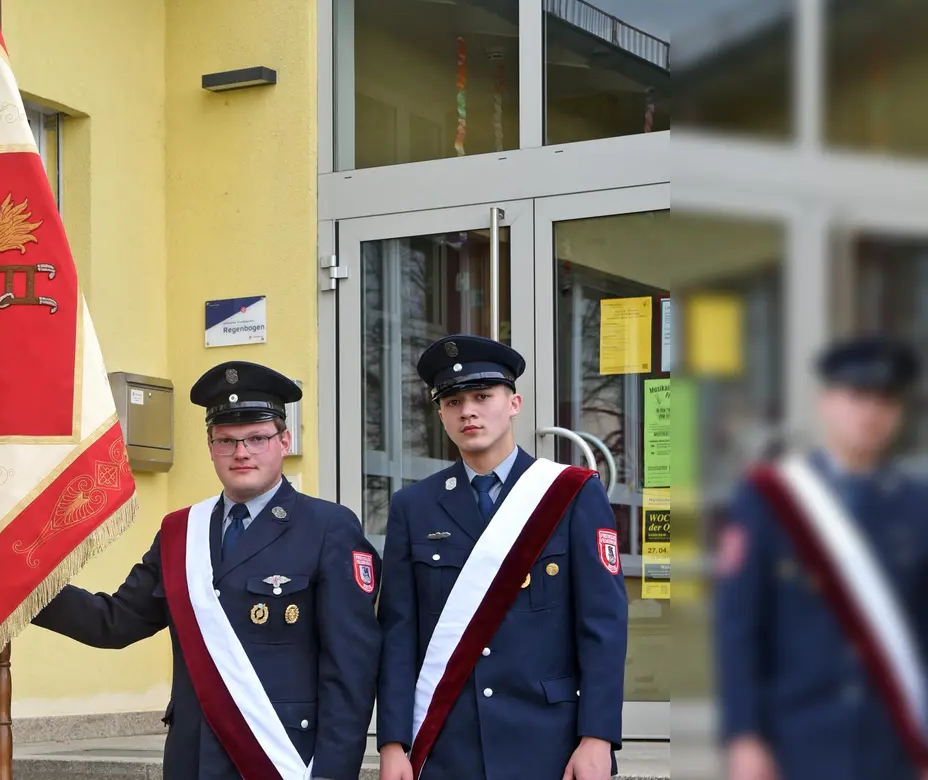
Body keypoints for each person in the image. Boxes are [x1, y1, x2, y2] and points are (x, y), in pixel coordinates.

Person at [31, 361, 381, 780]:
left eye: (257, 438)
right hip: (194, 758)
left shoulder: (327, 527)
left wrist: (333, 773)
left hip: (284, 757)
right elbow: (115, 622)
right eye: (226, 440)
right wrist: (22, 590)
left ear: (284, 441)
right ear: (210, 446)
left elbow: (350, 669)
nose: (241, 453)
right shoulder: (181, 532)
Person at [376, 334, 627, 780]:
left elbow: (602, 626)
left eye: (482, 396)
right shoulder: (413, 507)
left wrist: (598, 737)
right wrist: (393, 742)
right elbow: (399, 633)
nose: (467, 411)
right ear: (440, 415)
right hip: (447, 743)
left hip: (548, 741)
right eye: (453, 401)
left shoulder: (571, 493)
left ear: (514, 403)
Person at [715, 336, 928, 780]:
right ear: (826, 401)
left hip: (893, 745)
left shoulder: (917, 504)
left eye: (885, 400)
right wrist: (745, 736)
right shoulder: (770, 500)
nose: (870, 413)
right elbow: (740, 628)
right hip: (797, 740)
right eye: (857, 396)